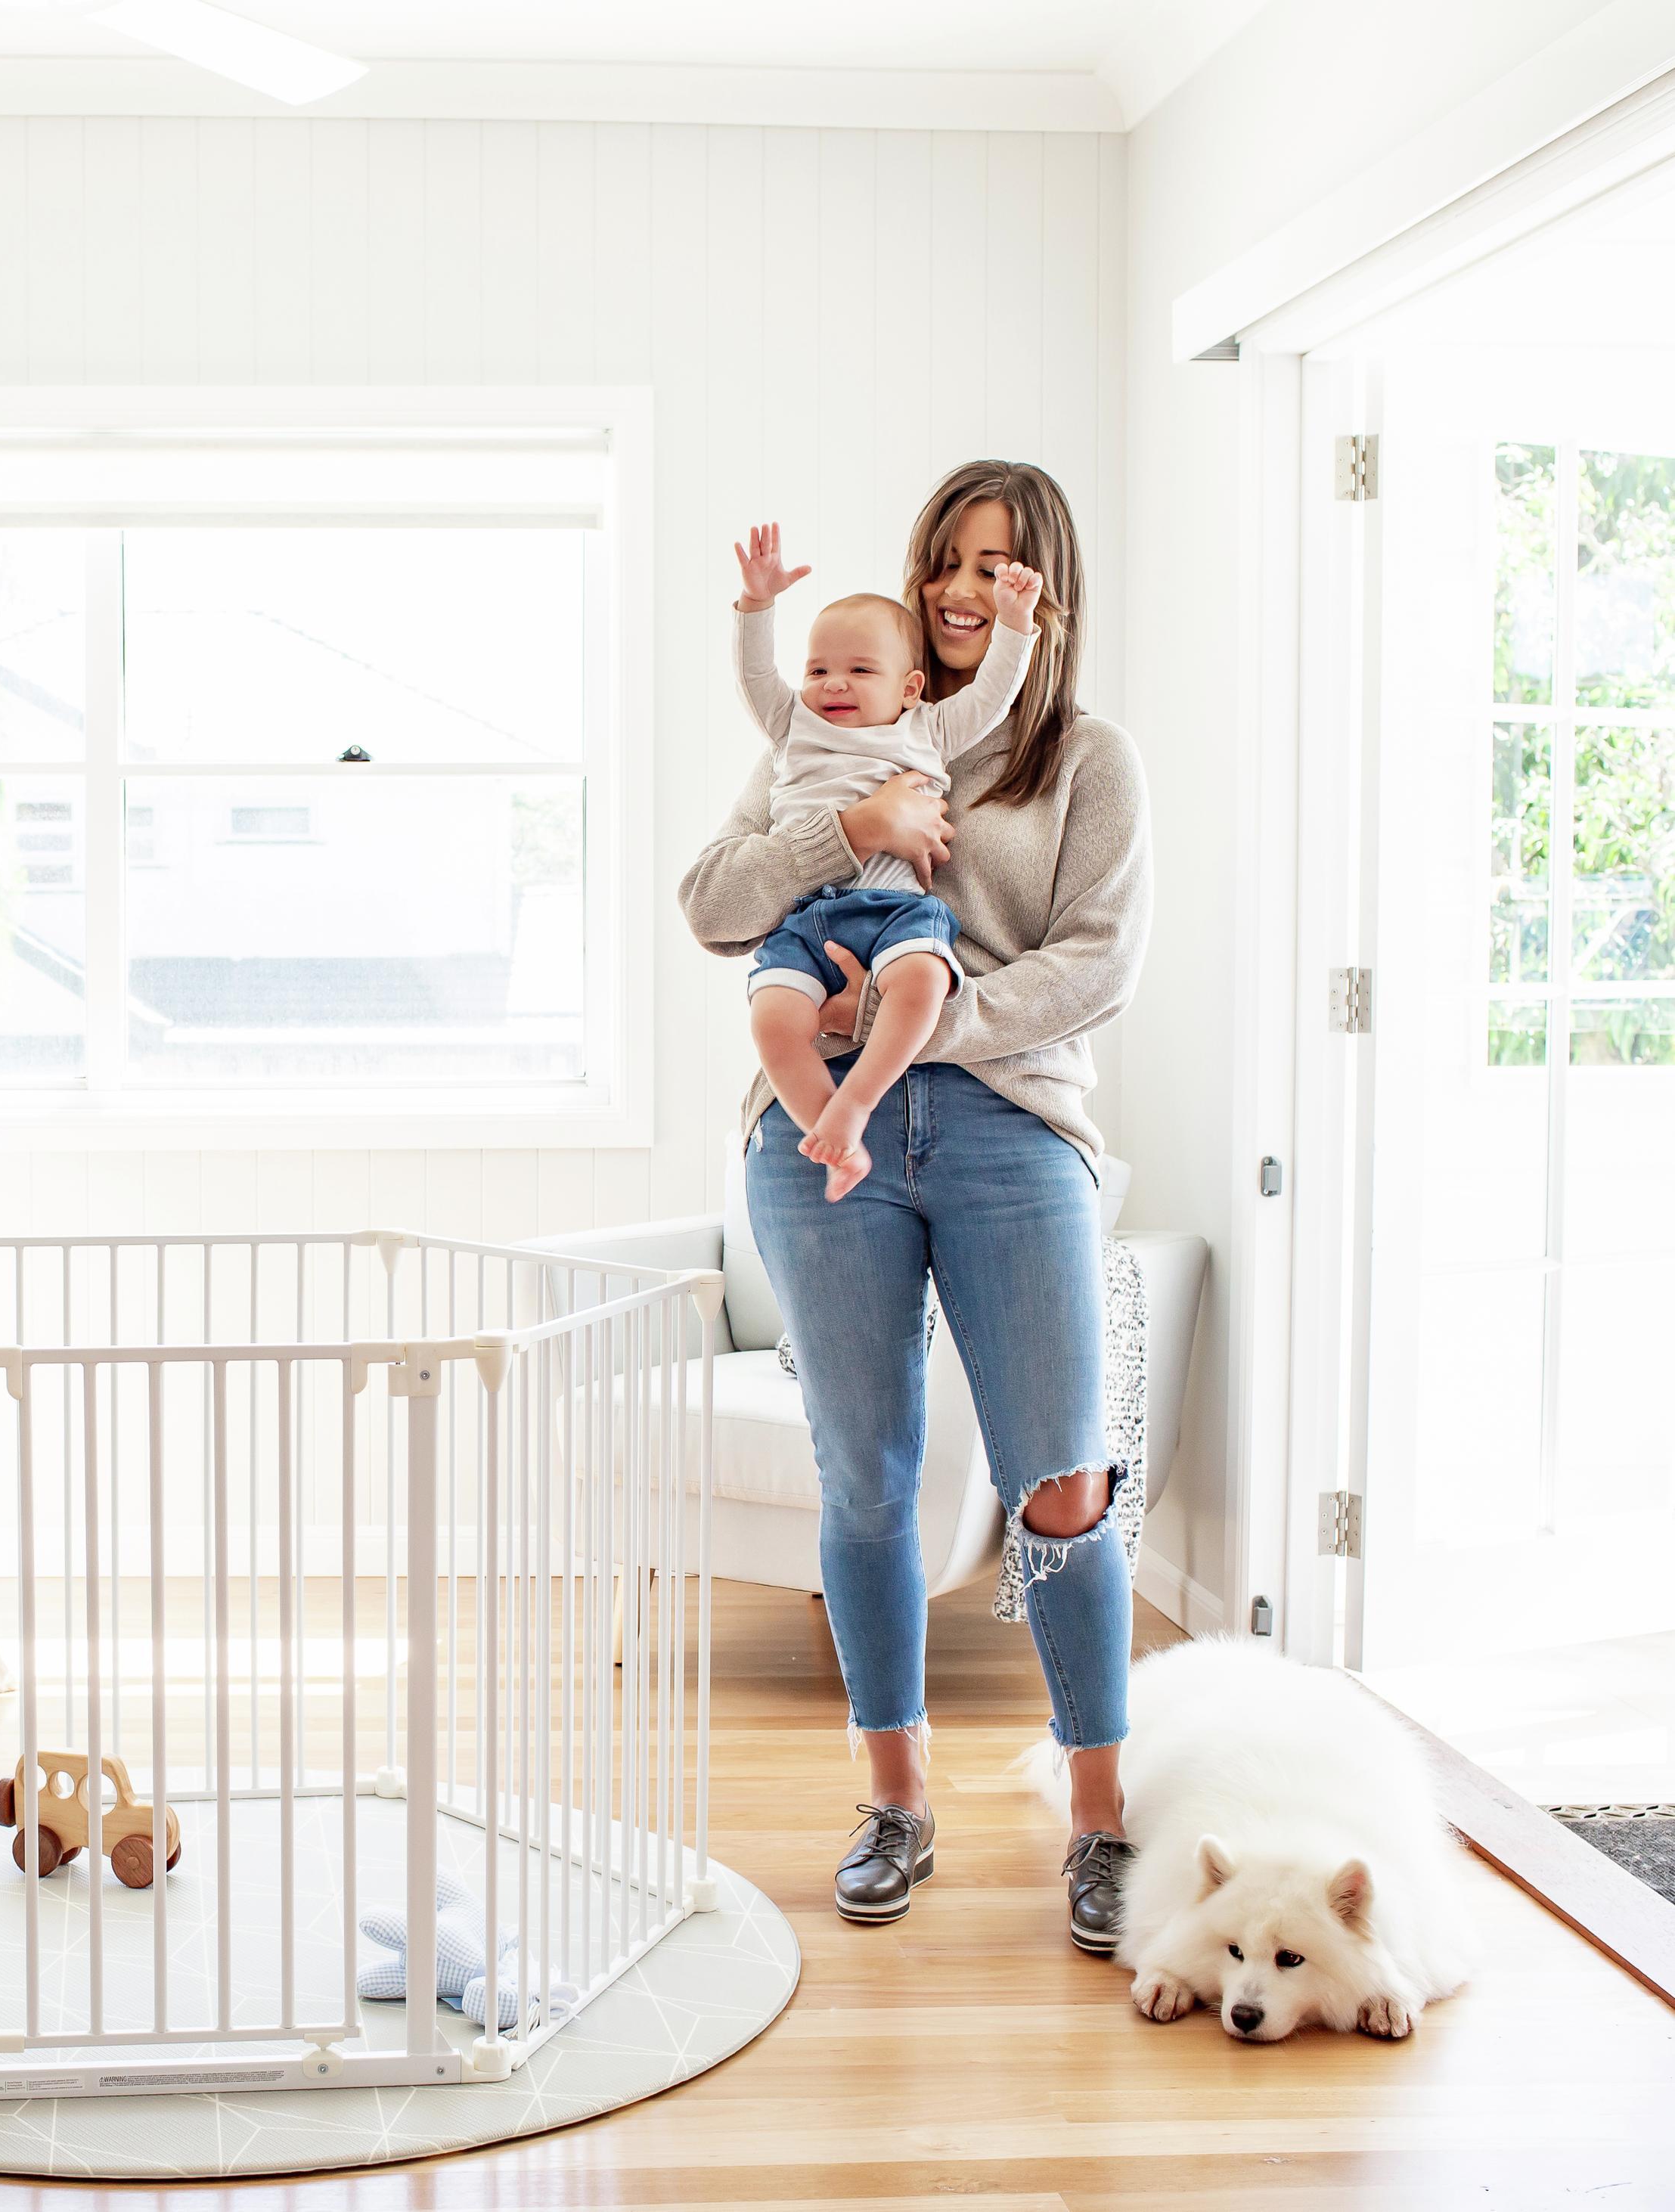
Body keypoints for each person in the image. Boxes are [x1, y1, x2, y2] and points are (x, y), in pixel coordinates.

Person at [678, 461, 1152, 1953]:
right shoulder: (836, 721)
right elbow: (710, 904)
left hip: (1012, 1128)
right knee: (866, 1476)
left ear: (1041, 589)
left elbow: (1095, 965)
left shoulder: (1086, 758)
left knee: (1060, 1483)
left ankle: (1102, 1821)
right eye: (947, 557)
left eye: (995, 565)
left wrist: (916, 1029)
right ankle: (899, 1797)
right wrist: (848, 821)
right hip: (822, 1144)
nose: (959, 589)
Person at [729, 523, 1043, 1198]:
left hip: (897, 912)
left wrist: (1017, 625)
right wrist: (757, 606)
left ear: (910, 687)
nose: (833, 684)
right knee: (772, 1018)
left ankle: (856, 1102)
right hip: (810, 918)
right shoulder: (795, 730)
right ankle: (833, 1135)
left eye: (859, 670)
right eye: (818, 670)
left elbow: (991, 698)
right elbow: (757, 679)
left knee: (926, 983)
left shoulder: (926, 728)